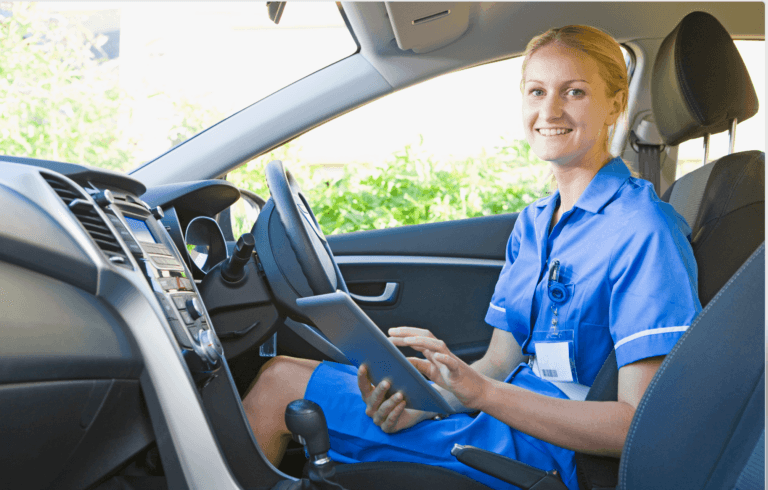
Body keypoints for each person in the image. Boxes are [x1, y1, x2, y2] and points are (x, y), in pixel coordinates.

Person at [242, 25, 702, 490]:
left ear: (616, 104)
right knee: (289, 375)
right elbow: (500, 362)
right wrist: (433, 398)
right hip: (501, 416)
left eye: (575, 92)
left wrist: (482, 393)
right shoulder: (535, 222)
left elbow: (635, 427)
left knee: (279, 384)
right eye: (537, 91)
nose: (550, 111)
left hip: (545, 453)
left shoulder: (644, 230)